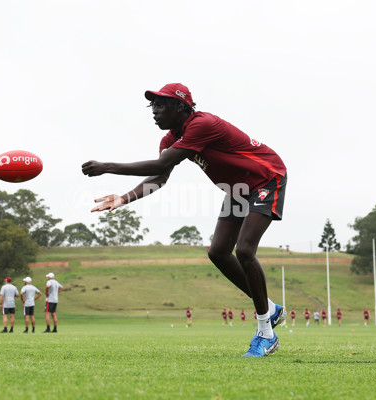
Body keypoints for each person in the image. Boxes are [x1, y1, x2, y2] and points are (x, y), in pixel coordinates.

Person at [81, 83, 287, 357]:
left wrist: (107, 167)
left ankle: (265, 331)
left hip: (266, 178)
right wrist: (123, 198)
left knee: (245, 250)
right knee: (218, 252)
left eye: (161, 105)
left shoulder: (203, 123)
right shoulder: (170, 140)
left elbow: (159, 166)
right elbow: (159, 177)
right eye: (152, 106)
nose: (154, 111)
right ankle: (271, 309)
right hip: (237, 190)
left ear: (181, 107)